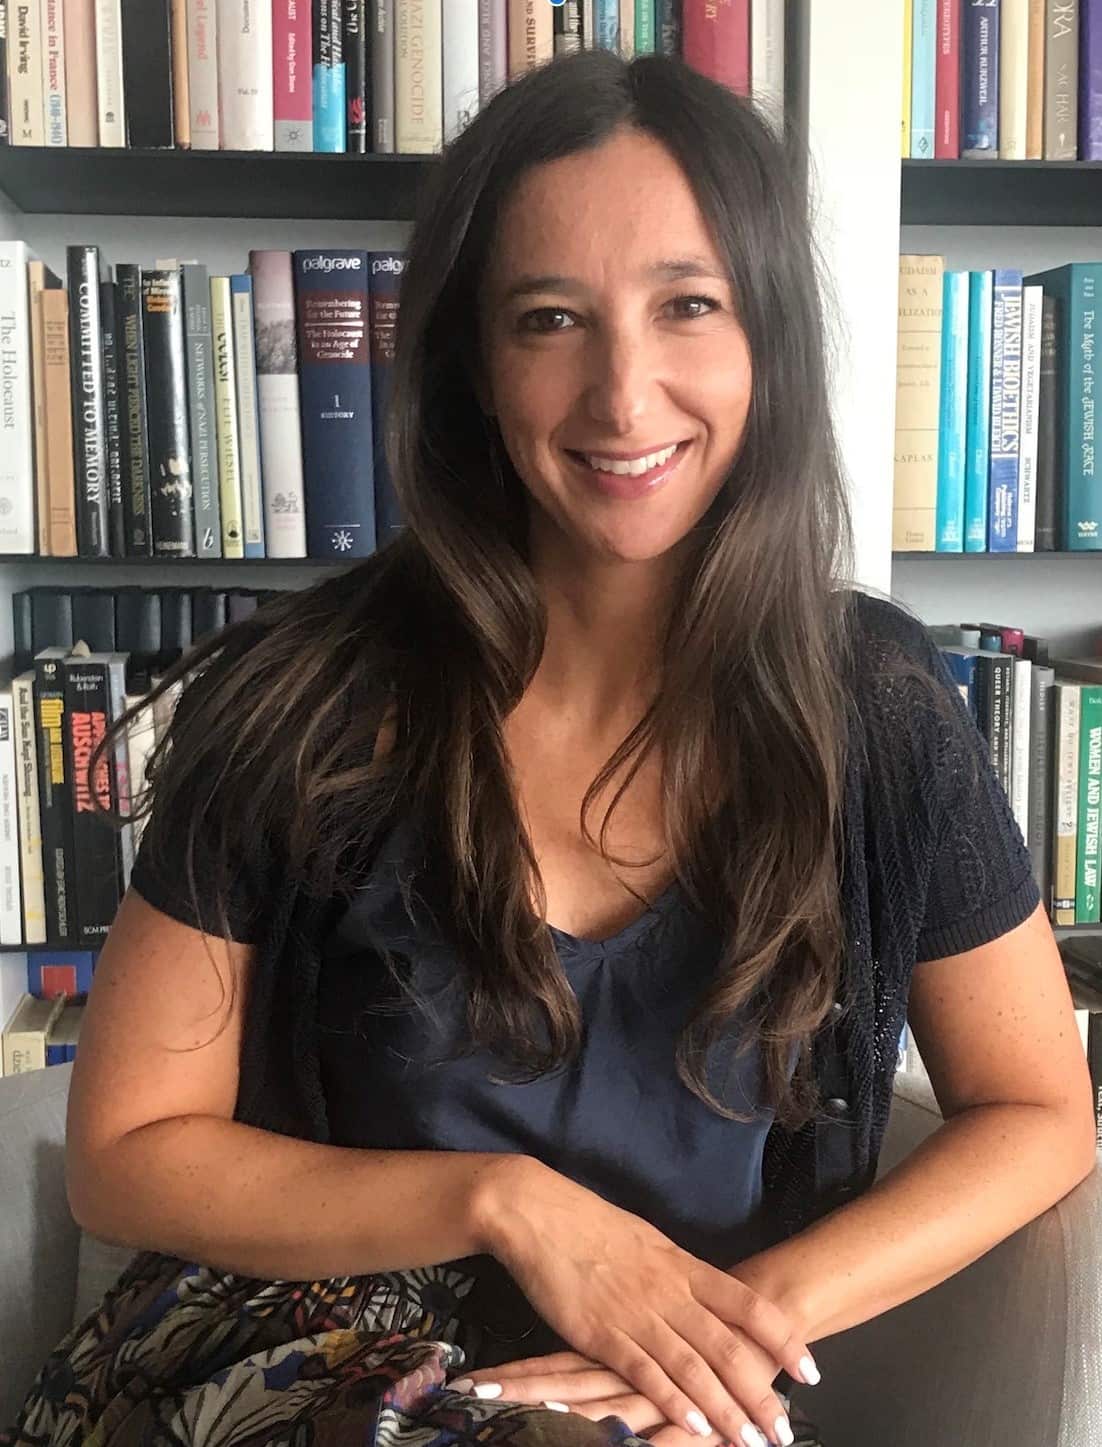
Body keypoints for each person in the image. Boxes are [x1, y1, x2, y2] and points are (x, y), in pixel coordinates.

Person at [3, 46, 1095, 1447]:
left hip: (663, 1400)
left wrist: (718, 1329)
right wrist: (509, 1208)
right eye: (548, 320)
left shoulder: (870, 707)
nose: (623, 398)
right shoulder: (306, 701)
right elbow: (125, 1161)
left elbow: (1035, 1110)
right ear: (470, 361)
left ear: (766, 336)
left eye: (687, 307)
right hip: (296, 1352)